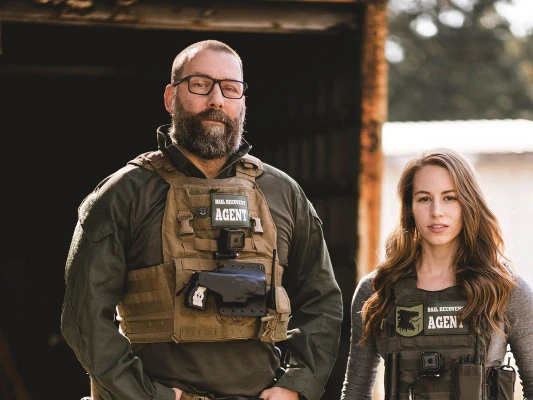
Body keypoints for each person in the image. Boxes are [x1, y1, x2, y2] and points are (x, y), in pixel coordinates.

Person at [61, 39, 343, 400]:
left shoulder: (283, 193)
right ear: (170, 97)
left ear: (242, 103)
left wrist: (296, 385)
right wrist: (145, 395)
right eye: (200, 84)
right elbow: (83, 315)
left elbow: (322, 301)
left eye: (230, 88)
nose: (216, 99)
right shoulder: (124, 194)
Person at [341, 148, 533, 400]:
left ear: (468, 203)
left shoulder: (506, 289)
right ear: (409, 208)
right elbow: (355, 391)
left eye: (450, 198)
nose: (436, 211)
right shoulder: (377, 291)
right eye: (424, 199)